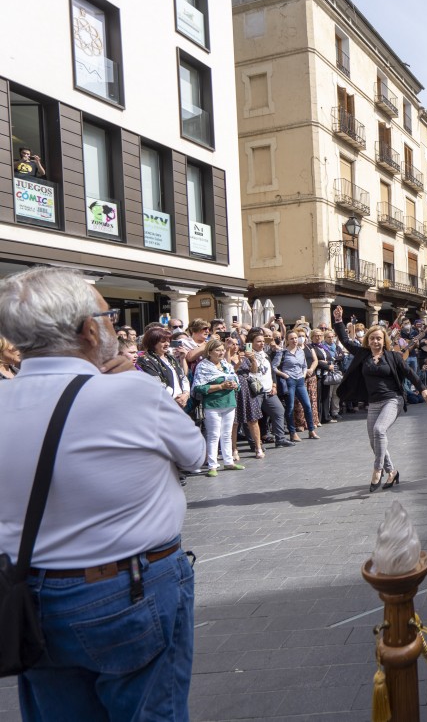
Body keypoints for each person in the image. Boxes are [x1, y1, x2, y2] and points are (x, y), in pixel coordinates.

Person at [0, 266, 203, 721]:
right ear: (90, 330)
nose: (113, 325)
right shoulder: (131, 390)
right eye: (108, 315)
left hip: (29, 597)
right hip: (127, 590)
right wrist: (131, 378)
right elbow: (195, 452)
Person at [332, 304, 427, 490]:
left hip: (393, 400)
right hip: (373, 403)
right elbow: (345, 340)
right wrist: (338, 321)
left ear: (384, 339)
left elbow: (410, 373)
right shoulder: (363, 354)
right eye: (372, 338)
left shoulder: (393, 356)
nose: (375, 341)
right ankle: (392, 471)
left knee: (379, 430)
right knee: (374, 440)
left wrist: (423, 388)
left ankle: (377, 470)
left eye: (379, 338)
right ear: (367, 340)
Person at [192, 339, 244, 477]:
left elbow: (236, 381)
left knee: (226, 434)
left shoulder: (226, 365)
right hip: (213, 404)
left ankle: (228, 461)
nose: (221, 352)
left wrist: (234, 385)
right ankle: (212, 465)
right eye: (218, 350)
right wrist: (220, 386)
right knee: (214, 435)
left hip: (229, 402)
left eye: (222, 350)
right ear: (209, 352)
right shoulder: (203, 366)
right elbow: (199, 387)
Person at [247, 329, 293, 448]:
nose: (262, 343)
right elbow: (250, 371)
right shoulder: (247, 354)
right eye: (258, 341)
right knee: (253, 418)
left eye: (263, 341)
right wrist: (250, 357)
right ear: (251, 343)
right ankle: (254, 443)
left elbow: (271, 371)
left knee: (279, 411)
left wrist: (274, 385)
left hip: (268, 390)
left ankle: (280, 438)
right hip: (255, 391)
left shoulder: (265, 354)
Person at [272, 330, 320, 442]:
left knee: (307, 405)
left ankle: (311, 430)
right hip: (289, 381)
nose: (294, 340)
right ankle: (292, 432)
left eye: (296, 338)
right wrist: (285, 375)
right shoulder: (282, 353)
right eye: (291, 338)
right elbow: (274, 367)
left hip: (300, 380)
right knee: (290, 407)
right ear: (287, 341)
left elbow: (304, 365)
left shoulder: (300, 351)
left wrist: (303, 374)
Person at [137, 327, 191, 410]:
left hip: (179, 404)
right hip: (163, 405)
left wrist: (185, 394)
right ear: (152, 342)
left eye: (168, 341)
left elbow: (183, 377)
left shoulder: (171, 358)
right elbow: (156, 383)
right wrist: (175, 400)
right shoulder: (145, 360)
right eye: (163, 341)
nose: (167, 344)